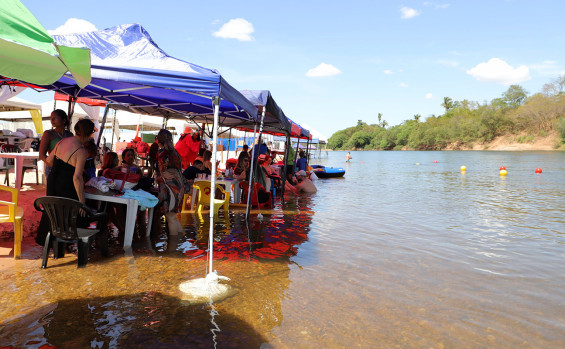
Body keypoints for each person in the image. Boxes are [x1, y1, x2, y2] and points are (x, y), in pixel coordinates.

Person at [36, 119, 107, 249]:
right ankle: (90, 252)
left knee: (54, 213)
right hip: (67, 185)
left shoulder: (62, 141)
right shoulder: (81, 151)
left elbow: (49, 161)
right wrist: (82, 203)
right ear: (89, 133)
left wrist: (62, 167)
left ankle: (57, 247)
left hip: (53, 181)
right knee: (79, 214)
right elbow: (77, 178)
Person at [154, 129, 185, 236]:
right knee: (173, 217)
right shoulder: (175, 153)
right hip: (179, 186)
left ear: (158, 139)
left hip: (169, 188)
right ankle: (180, 242)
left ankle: (173, 248)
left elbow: (162, 172)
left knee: (170, 217)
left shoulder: (162, 153)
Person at [38, 109, 74, 179]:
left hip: (68, 169)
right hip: (53, 169)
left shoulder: (70, 135)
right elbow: (41, 155)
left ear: (64, 120)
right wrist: (54, 166)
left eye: (55, 117)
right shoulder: (48, 134)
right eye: (51, 118)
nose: (52, 120)